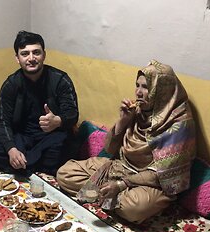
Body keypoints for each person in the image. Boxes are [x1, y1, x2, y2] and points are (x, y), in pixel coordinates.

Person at [57, 60, 196, 223]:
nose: (138, 92)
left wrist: (121, 185)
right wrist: (123, 121)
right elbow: (109, 149)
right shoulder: (137, 111)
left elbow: (162, 174)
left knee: (134, 209)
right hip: (119, 168)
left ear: (162, 91)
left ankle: (108, 193)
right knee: (64, 174)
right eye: (137, 85)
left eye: (145, 87)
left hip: (151, 183)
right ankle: (109, 194)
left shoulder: (179, 124)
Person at [0, 31, 79, 177]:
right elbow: (2, 121)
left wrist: (58, 121)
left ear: (44, 55)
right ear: (17, 58)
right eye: (25, 54)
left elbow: (72, 114)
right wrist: (11, 149)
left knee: (69, 143)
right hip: (22, 138)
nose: (31, 58)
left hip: (51, 136)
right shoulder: (11, 84)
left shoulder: (60, 79)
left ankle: (23, 166)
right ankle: (38, 166)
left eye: (36, 53)